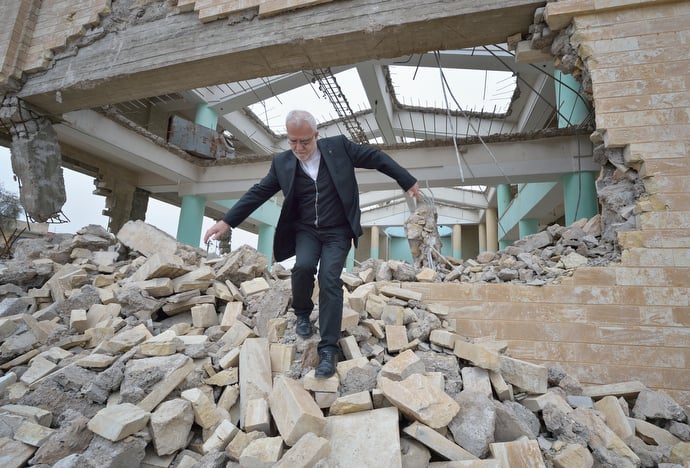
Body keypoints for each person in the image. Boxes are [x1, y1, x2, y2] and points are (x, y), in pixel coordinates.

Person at [204, 110, 420, 378]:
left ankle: (328, 348)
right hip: (306, 230)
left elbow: (376, 158)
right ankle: (303, 313)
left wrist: (406, 179)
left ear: (317, 136)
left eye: (304, 142)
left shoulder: (339, 147)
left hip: (338, 230)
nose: (298, 148)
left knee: (330, 279)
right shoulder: (282, 163)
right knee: (303, 268)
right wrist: (227, 222)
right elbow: (258, 192)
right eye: (293, 142)